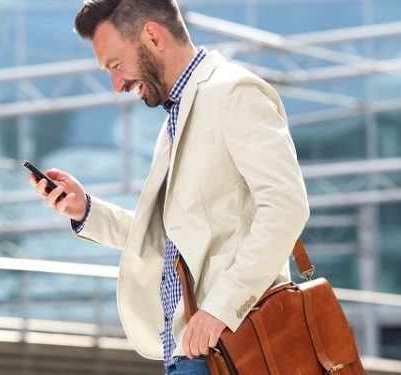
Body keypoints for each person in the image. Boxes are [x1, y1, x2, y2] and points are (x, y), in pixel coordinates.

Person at [28, 1, 310, 374]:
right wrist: (86, 210)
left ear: (153, 36)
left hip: (234, 343)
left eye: (115, 66)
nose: (116, 86)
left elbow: (287, 207)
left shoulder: (234, 93)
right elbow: (172, 237)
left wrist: (221, 308)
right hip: (189, 349)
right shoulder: (174, 120)